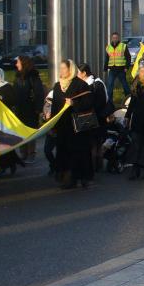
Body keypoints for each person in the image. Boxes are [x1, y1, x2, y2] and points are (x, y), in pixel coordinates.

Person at [50, 60, 95, 189]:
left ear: (71, 70)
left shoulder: (80, 85)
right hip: (63, 126)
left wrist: (74, 104)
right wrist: (52, 125)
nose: (62, 71)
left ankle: (82, 177)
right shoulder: (57, 86)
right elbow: (55, 107)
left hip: (77, 127)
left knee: (79, 153)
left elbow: (88, 103)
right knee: (64, 153)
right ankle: (67, 178)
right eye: (61, 68)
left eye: (64, 68)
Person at [78, 63, 111, 172]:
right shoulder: (92, 83)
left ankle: (95, 166)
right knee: (94, 143)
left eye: (78, 72)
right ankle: (95, 165)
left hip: (96, 118)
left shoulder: (96, 84)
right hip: (94, 118)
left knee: (95, 143)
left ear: (84, 73)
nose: (77, 75)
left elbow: (100, 103)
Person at [13, 55, 45, 163]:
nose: (16, 64)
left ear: (23, 63)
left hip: (30, 109)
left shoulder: (33, 76)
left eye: (18, 62)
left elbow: (39, 93)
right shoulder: (17, 76)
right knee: (21, 131)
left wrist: (38, 109)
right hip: (20, 108)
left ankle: (31, 153)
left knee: (30, 132)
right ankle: (23, 153)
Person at [104, 32, 131, 98]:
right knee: (110, 85)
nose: (115, 39)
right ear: (111, 38)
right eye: (113, 38)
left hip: (121, 69)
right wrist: (105, 67)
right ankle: (109, 102)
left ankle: (129, 98)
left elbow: (128, 57)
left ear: (118, 38)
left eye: (116, 38)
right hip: (112, 70)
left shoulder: (123, 46)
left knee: (125, 85)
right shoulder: (108, 47)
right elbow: (107, 58)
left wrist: (126, 67)